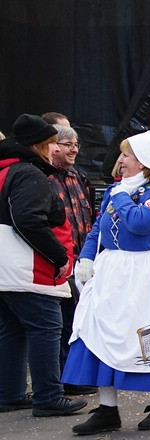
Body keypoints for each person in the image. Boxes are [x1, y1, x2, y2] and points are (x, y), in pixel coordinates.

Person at [65, 131, 150, 433]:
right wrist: (88, 256)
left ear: (145, 162)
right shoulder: (115, 190)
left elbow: (139, 222)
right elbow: (99, 227)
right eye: (122, 154)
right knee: (98, 329)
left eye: (128, 155)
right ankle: (108, 408)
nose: (121, 161)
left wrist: (120, 196)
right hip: (115, 271)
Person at [0, 114, 85, 417]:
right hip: (27, 267)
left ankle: (8, 393)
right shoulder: (29, 174)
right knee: (46, 327)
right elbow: (29, 219)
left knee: (12, 329)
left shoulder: (7, 170)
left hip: (5, 268)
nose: (53, 151)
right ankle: (48, 396)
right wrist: (59, 256)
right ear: (40, 145)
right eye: (51, 144)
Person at [49, 124, 96, 386]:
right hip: (58, 259)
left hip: (81, 259)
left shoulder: (78, 177)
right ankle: (62, 378)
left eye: (76, 144)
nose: (74, 149)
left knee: (78, 319)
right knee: (60, 322)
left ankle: (73, 375)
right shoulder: (45, 177)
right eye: (68, 144)